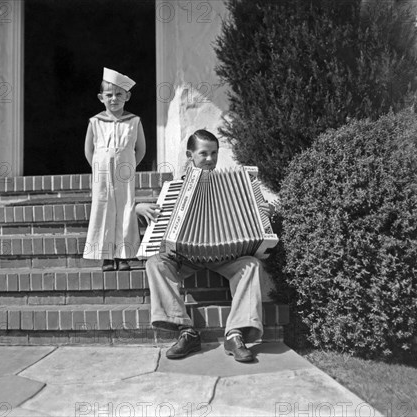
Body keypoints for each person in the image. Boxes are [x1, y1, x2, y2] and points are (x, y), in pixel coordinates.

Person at [136, 129, 276, 363]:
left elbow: (254, 217)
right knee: (155, 264)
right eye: (204, 153)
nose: (210, 159)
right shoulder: (175, 188)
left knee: (251, 265)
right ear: (190, 155)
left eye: (214, 153)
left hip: (226, 255)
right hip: (185, 256)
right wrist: (137, 208)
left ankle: (235, 334)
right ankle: (186, 332)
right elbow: (157, 214)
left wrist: (264, 214)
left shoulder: (235, 185)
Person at [84, 68, 146, 271]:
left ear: (127, 96)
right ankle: (106, 256)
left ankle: (124, 254)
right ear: (101, 97)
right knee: (103, 208)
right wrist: (98, 167)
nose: (114, 99)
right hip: (101, 172)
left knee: (125, 208)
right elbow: (89, 149)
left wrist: (129, 166)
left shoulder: (134, 121)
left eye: (119, 94)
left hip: (125, 170)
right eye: (109, 95)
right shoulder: (95, 121)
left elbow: (141, 149)